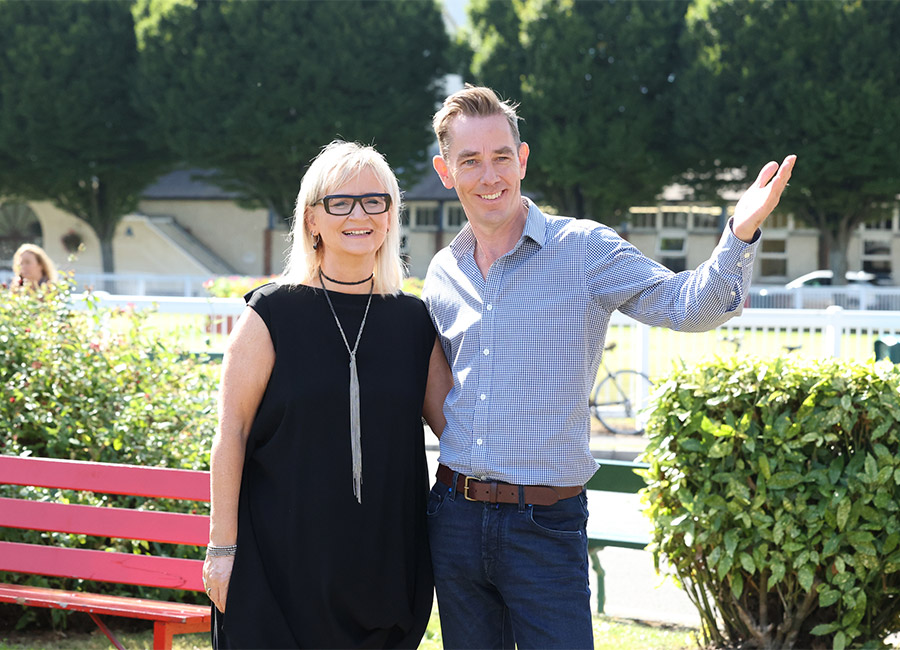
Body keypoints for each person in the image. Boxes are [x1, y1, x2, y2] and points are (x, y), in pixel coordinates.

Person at [422, 85, 796, 649]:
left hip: (543, 525)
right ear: (446, 172)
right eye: (470, 161)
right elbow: (442, 384)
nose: (489, 174)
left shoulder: (584, 249)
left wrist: (739, 233)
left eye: (501, 156)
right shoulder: (442, 272)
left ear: (522, 160)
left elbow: (688, 305)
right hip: (454, 519)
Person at [203, 140, 451, 649]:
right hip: (278, 565)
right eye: (341, 202)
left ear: (390, 216)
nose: (359, 214)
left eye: (374, 201)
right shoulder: (269, 314)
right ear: (312, 218)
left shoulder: (414, 322)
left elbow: (460, 430)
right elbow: (232, 434)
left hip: (384, 567)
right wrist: (222, 550)